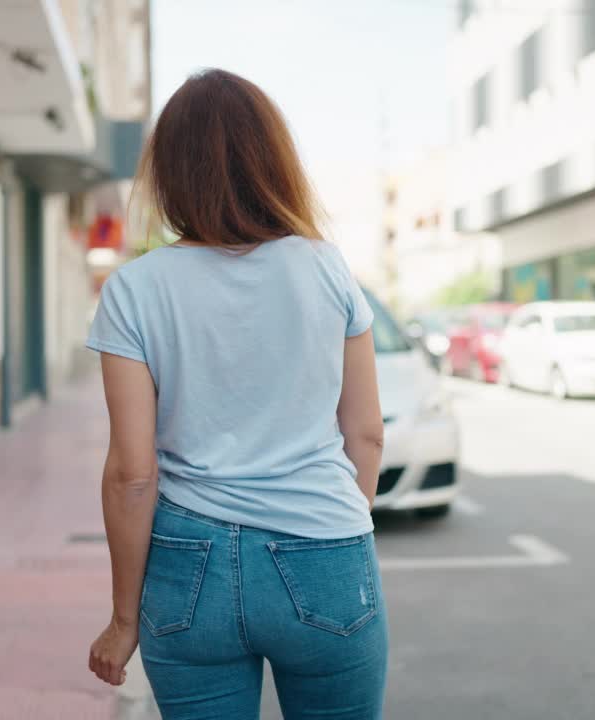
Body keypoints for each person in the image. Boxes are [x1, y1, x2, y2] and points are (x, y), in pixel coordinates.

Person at [85, 68, 388, 719]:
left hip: (189, 567)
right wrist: (334, 531)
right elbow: (365, 432)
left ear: (170, 171)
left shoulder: (134, 290)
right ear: (273, 161)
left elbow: (132, 473)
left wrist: (121, 618)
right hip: (325, 551)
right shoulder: (326, 268)